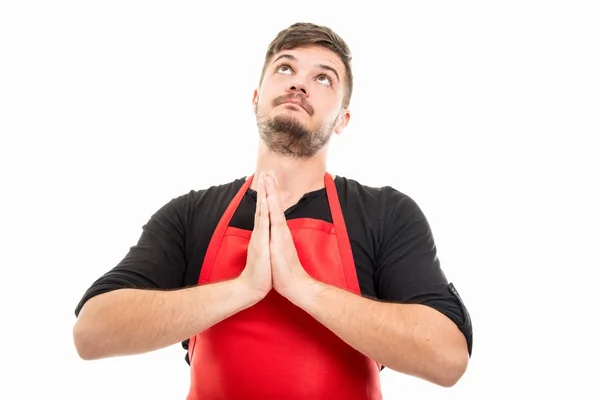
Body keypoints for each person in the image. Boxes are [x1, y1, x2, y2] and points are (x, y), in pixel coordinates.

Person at [72, 22, 473, 399]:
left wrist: (302, 287)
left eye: (323, 78)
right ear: (255, 98)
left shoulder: (385, 214)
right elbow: (91, 333)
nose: (299, 83)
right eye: (285, 68)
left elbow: (448, 359)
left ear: (342, 120)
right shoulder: (190, 215)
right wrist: (244, 288)